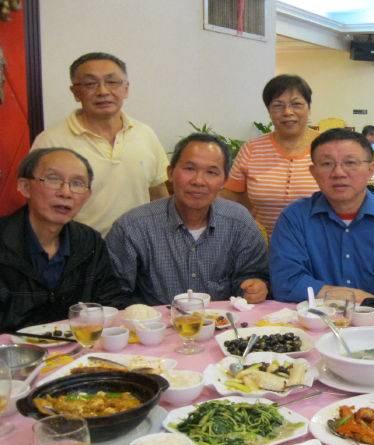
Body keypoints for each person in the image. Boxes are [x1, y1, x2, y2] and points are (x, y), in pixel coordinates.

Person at [107, 133, 269, 306]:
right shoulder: (132, 227)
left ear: (224, 181)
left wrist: (256, 288)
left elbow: (253, 276)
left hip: (224, 322)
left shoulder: (240, 222)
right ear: (170, 173)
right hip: (156, 321)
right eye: (189, 169)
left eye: (211, 172)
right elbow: (113, 295)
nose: (198, 181)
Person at [270, 129, 374, 303]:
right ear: (313, 172)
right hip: (312, 318)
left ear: (371, 170)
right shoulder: (294, 218)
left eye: (350, 162)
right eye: (327, 164)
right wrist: (358, 298)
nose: (338, 173)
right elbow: (286, 283)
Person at [31, 52, 169, 237]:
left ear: (126, 89)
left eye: (112, 82)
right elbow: (39, 204)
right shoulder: (51, 142)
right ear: (75, 92)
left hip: (138, 245)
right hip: (79, 248)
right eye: (90, 84)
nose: (103, 91)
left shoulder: (145, 134)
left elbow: (158, 193)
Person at [0, 148, 130, 332]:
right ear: (24, 186)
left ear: (87, 195)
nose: (66, 192)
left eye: (77, 183)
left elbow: (111, 302)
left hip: (79, 346)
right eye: (53, 179)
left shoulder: (89, 242)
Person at [220, 74, 319, 237]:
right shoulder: (252, 148)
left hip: (317, 246)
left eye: (296, 104)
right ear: (269, 110)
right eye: (278, 105)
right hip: (262, 245)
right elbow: (231, 198)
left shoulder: (327, 147)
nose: (288, 112)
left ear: (309, 107)